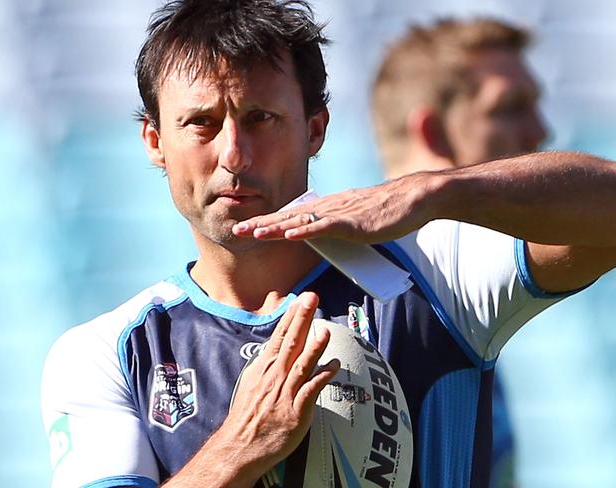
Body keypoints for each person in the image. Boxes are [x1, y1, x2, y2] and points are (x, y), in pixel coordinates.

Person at [41, 1, 616, 487]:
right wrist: (239, 449)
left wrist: (440, 188)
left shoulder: (431, 272)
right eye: (201, 123)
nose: (233, 155)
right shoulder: (105, 353)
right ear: (154, 140)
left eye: (261, 117)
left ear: (316, 128)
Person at [370, 18, 547, 488]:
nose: (541, 132)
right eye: (510, 108)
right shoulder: (368, 304)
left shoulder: (465, 290)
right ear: (434, 132)